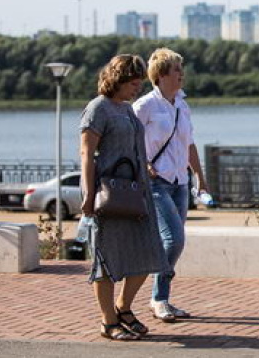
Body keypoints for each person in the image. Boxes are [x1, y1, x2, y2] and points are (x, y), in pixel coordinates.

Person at [80, 54, 168, 341]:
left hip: (135, 192)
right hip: (108, 195)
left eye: (139, 83)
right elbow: (86, 154)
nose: (137, 88)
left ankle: (123, 307)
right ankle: (108, 321)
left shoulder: (127, 109)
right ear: (117, 80)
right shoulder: (98, 108)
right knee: (106, 258)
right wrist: (88, 194)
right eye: (133, 83)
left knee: (149, 252)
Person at [134, 48, 209, 323]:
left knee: (173, 241)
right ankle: (157, 298)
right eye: (176, 69)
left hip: (180, 182)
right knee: (174, 239)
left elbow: (189, 144)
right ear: (162, 74)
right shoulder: (144, 106)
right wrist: (144, 164)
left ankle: (161, 298)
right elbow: (127, 140)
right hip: (156, 182)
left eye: (181, 68)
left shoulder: (182, 105)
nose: (181, 74)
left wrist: (199, 176)